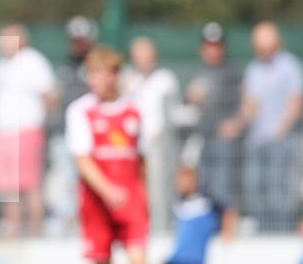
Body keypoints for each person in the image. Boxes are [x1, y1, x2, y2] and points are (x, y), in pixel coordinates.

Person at [65, 46, 170, 264]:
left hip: (131, 206)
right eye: (91, 74)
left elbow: (141, 160)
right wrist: (109, 190)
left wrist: (145, 196)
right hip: (97, 208)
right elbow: (83, 160)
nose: (93, 80)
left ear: (114, 77)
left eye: (99, 73)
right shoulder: (80, 111)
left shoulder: (134, 113)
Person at [221, 22, 303, 231]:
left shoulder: (290, 67)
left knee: (279, 189)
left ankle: (282, 232)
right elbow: (250, 105)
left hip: (281, 141)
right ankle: (263, 231)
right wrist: (237, 124)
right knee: (255, 187)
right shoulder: (254, 69)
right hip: (256, 140)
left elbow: (296, 102)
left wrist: (280, 129)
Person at [0, 24, 56, 237]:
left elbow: (49, 95)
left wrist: (38, 120)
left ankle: (36, 232)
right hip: (1, 134)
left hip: (25, 131)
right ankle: (13, 231)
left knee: (30, 185)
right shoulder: (0, 65)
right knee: (9, 189)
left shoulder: (33, 61)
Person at [184, 22, 242, 234]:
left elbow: (246, 102)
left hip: (224, 141)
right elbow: (188, 104)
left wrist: (235, 123)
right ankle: (211, 227)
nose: (213, 49)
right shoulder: (198, 72)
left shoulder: (233, 71)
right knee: (204, 186)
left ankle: (229, 229)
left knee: (225, 186)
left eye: (216, 45)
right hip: (203, 139)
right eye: (209, 45)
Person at [122, 37, 181, 233]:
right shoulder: (129, 80)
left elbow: (173, 114)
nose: (142, 61)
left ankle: (161, 229)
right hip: (133, 146)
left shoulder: (165, 79)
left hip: (158, 146)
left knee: (159, 190)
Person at [46, 16, 99, 230]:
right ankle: (69, 224)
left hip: (93, 137)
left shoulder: (97, 69)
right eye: (75, 40)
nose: (79, 45)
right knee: (66, 182)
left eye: (82, 40)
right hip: (66, 135)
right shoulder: (65, 69)